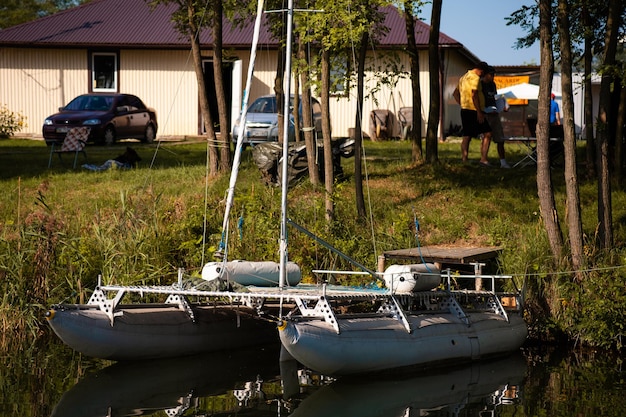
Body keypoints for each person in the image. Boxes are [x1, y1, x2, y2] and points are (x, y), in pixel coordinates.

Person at [453, 61, 491, 166]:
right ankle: (483, 159)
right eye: (483, 73)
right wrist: (479, 112)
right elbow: (474, 95)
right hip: (474, 111)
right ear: (481, 70)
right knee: (487, 133)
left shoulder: (463, 77)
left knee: (467, 135)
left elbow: (455, 94)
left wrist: (463, 104)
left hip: (465, 110)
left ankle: (464, 160)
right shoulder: (475, 78)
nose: (483, 76)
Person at [481, 66, 510, 168]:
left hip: (495, 113)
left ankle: (503, 162)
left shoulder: (493, 85)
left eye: (494, 74)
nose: (493, 76)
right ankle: (483, 159)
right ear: (486, 74)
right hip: (485, 114)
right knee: (487, 136)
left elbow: (495, 97)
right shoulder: (480, 84)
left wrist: (503, 105)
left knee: (500, 138)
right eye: (491, 74)